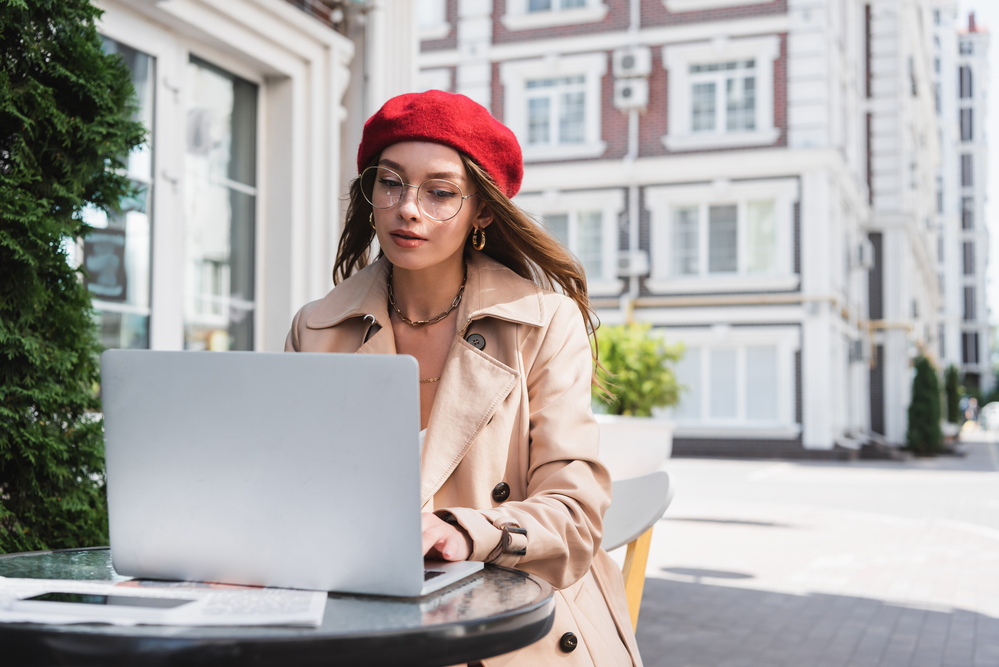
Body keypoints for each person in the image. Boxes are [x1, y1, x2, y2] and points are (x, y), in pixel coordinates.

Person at [285, 90, 641, 666]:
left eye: (441, 192)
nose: (408, 208)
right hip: (368, 625)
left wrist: (466, 531)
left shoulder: (544, 322)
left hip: (520, 636)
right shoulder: (318, 326)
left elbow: (576, 516)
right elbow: (293, 491)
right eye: (391, 182)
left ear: (482, 210)